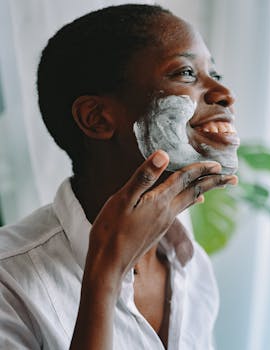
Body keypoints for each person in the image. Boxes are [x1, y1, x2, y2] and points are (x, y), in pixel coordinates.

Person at [0, 4, 239, 349]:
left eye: (213, 75)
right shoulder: (9, 281)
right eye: (186, 73)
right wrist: (104, 277)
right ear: (96, 118)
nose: (224, 94)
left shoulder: (191, 265)